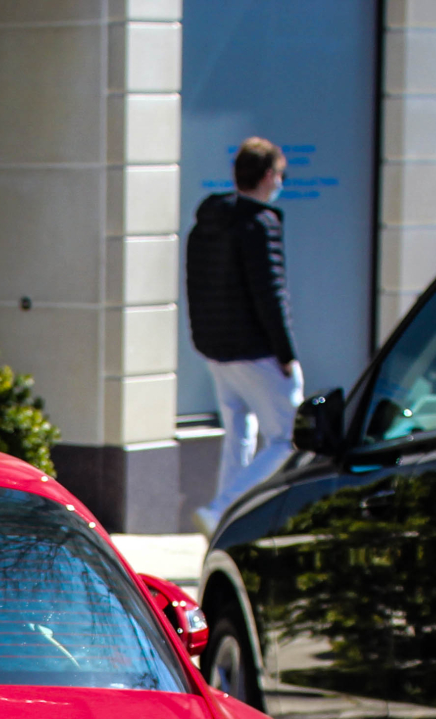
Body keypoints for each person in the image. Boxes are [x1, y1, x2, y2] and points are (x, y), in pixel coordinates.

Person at [186, 137, 301, 536]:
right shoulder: (260, 224)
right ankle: (223, 510)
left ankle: (223, 521)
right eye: (281, 176)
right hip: (253, 349)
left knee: (238, 432)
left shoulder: (207, 222)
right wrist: (286, 354)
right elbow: (271, 294)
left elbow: (195, 284)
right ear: (269, 176)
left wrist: (204, 339)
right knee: (291, 437)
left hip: (216, 349)